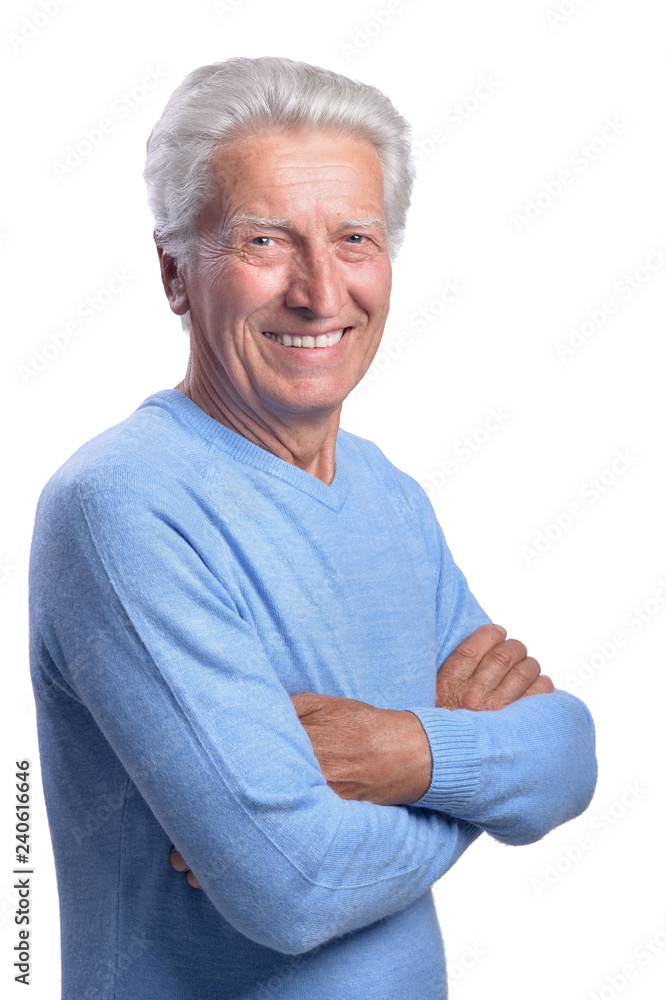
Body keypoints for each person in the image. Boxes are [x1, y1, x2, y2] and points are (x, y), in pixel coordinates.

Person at [28, 56, 597, 999]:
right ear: (175, 272)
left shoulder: (389, 495)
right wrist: (476, 783)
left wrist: (405, 755)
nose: (322, 293)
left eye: (356, 239)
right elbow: (292, 886)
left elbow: (570, 755)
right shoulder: (123, 505)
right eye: (264, 241)